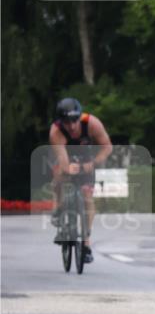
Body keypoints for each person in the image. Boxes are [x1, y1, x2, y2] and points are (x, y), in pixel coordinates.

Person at [48, 97, 113, 263]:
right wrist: (67, 168)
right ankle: (60, 207)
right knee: (59, 175)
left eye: (74, 121)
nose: (71, 126)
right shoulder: (56, 132)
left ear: (80, 117)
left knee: (88, 196)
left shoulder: (92, 123)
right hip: (65, 156)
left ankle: (86, 242)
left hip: (86, 158)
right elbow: (63, 161)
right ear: (60, 121)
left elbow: (107, 147)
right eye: (66, 122)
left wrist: (94, 163)